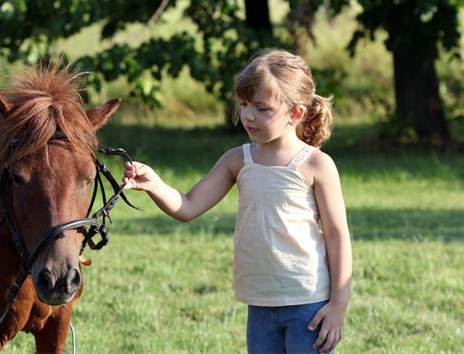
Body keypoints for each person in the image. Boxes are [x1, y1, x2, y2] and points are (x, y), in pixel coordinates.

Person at [123, 49, 352, 354]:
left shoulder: (316, 165)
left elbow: (337, 237)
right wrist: (154, 184)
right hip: (259, 303)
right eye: (244, 105)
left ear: (295, 114)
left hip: (308, 304)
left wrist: (338, 305)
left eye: (262, 108)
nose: (248, 115)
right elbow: (188, 206)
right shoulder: (237, 161)